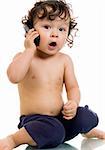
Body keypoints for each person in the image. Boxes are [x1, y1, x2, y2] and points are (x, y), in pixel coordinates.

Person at [0, 0, 105, 149]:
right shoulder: (25, 57)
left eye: (62, 29)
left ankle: (85, 130)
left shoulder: (64, 60)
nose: (55, 34)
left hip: (62, 118)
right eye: (47, 27)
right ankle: (14, 139)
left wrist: (73, 103)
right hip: (35, 122)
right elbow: (13, 77)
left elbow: (73, 87)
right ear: (31, 31)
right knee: (52, 130)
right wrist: (29, 50)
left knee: (87, 117)